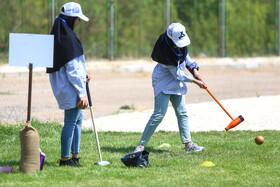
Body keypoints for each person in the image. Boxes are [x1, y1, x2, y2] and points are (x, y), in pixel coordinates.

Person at [134, 23, 206, 153]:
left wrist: (195, 70)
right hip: (163, 81)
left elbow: (186, 58)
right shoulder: (165, 50)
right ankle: (141, 146)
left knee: (182, 113)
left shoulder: (179, 43)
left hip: (176, 81)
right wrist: (196, 82)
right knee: (159, 115)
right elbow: (178, 74)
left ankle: (188, 144)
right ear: (172, 39)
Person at [47, 2, 91, 167]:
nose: (79, 22)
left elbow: (73, 66)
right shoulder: (67, 38)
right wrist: (81, 92)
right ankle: (65, 159)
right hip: (71, 87)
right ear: (72, 18)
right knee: (71, 122)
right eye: (78, 19)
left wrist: (83, 75)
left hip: (70, 85)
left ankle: (75, 156)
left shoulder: (63, 34)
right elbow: (72, 69)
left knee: (77, 120)